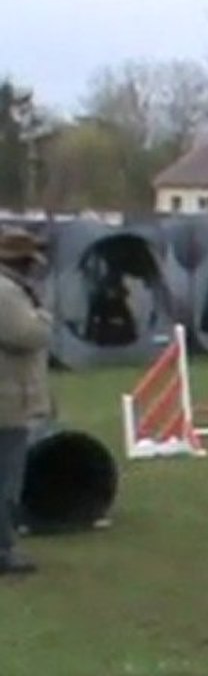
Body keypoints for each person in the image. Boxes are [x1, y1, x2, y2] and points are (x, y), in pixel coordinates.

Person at [0, 227, 53, 576]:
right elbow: (27, 334)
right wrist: (45, 317)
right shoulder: (6, 292)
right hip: (6, 401)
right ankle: (3, 551)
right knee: (6, 480)